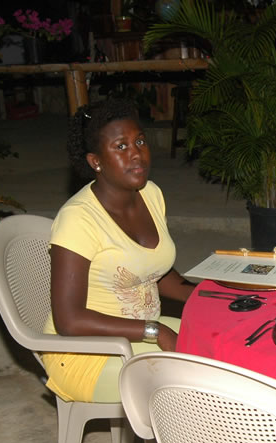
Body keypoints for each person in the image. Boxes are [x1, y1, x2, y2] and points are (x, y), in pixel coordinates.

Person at [41, 98, 194, 402]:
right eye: (121, 146)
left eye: (140, 141)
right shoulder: (78, 219)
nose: (136, 153)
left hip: (139, 334)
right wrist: (155, 331)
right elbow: (69, 320)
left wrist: (212, 295)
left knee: (220, 345)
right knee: (199, 382)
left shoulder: (151, 194)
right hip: (85, 354)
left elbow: (155, 273)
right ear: (95, 161)